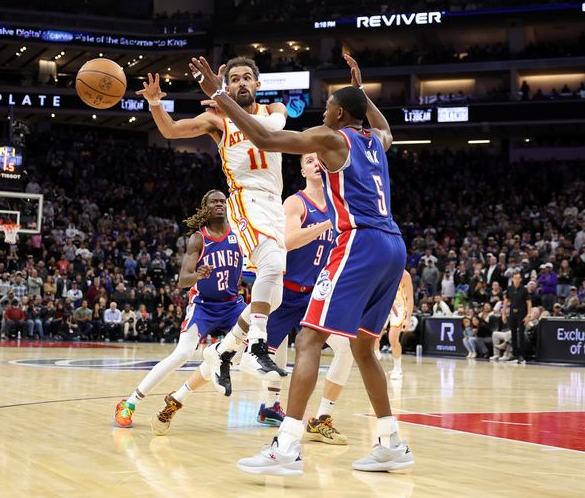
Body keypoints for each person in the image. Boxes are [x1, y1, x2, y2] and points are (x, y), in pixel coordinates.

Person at [191, 53, 413, 474]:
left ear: (341, 114)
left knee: (310, 341)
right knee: (365, 348)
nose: (322, 110)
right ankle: (391, 442)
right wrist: (364, 94)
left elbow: (266, 140)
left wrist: (219, 93)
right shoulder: (377, 141)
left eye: (328, 106)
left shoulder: (333, 139)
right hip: (393, 246)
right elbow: (383, 126)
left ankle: (287, 447)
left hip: (359, 243)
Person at [138, 57, 288, 384]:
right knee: (272, 266)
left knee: (274, 295)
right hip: (247, 196)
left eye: (248, 78)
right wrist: (154, 102)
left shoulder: (274, 108)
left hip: (274, 202)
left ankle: (224, 349)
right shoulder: (218, 121)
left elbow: (271, 131)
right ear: (228, 85)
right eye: (234, 80)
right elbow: (170, 130)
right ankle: (256, 347)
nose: (242, 83)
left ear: (258, 85)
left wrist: (221, 97)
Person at [113, 190, 251, 432]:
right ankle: (129, 402)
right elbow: (182, 280)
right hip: (204, 305)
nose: (219, 204)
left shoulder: (239, 234)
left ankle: (201, 369)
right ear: (205, 208)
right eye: (213, 202)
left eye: (222, 201)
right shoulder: (198, 239)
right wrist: (197, 274)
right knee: (182, 354)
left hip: (232, 304)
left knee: (242, 354)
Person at [258, 153, 352, 446]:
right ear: (302, 170)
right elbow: (289, 240)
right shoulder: (295, 202)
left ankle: (322, 417)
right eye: (309, 160)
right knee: (254, 355)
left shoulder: (341, 205)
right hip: (285, 290)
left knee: (346, 347)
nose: (316, 163)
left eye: (320, 159)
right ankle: (270, 404)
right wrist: (325, 225)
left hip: (318, 294)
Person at [384, 270, 414, 379]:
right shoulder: (385, 269)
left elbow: (410, 298)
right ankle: (376, 355)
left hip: (400, 307)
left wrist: (408, 318)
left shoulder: (405, 275)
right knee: (374, 336)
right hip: (386, 305)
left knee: (392, 338)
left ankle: (398, 369)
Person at [503, 271, 531, 364]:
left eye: (518, 278)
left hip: (522, 314)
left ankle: (522, 355)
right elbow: (506, 301)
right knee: (513, 334)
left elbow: (529, 303)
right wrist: (503, 313)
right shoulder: (509, 289)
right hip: (512, 313)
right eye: (515, 278)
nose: (517, 279)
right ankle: (514, 354)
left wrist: (528, 315)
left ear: (521, 279)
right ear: (512, 279)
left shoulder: (524, 289)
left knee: (521, 334)